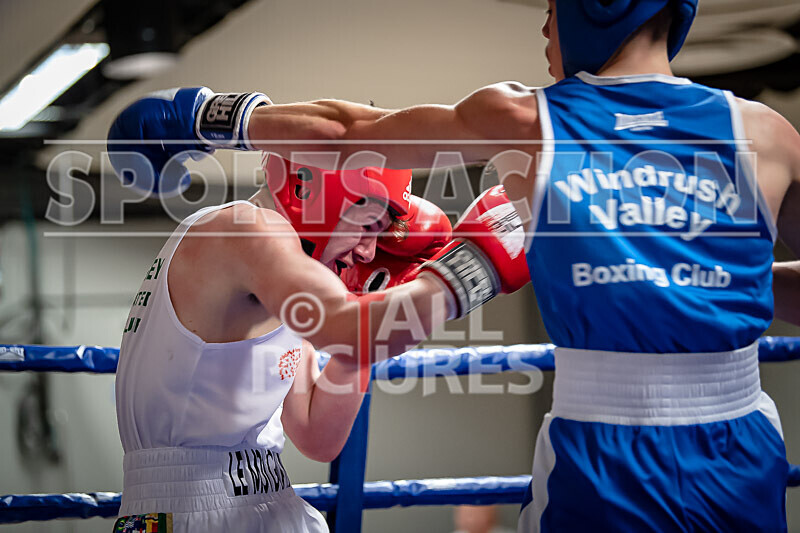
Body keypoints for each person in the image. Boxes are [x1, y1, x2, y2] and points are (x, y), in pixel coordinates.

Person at [108, 0, 800, 530]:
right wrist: (703, 281)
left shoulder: (531, 122)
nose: (544, 27)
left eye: (553, 8)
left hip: (603, 442)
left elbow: (348, 134)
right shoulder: (766, 133)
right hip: (742, 439)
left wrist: (205, 114)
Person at [109, 137, 529, 532]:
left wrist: (366, 299)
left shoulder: (285, 285)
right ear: (313, 194)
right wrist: (473, 271)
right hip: (189, 505)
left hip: (262, 494)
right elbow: (353, 332)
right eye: (367, 225)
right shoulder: (249, 230)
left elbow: (317, 435)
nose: (368, 251)